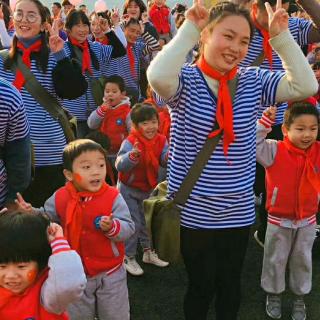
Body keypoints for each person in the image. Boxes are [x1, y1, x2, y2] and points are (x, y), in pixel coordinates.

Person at [147, 0, 317, 318]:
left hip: (238, 211)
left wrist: (281, 37)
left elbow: (305, 85)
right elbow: (156, 76)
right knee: (201, 286)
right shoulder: (185, 81)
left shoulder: (253, 80)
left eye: (244, 41)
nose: (236, 47)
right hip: (194, 210)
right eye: (228, 36)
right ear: (206, 37)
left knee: (230, 286)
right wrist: (187, 31)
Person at [17, 139, 135, 320]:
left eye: (101, 165)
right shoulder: (61, 197)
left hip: (110, 272)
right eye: (86, 167)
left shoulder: (112, 196)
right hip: (76, 273)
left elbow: (128, 227)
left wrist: (113, 227)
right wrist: (30, 211)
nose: (96, 171)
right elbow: (46, 216)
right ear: (69, 174)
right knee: (78, 315)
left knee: (115, 314)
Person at [241, 0, 320, 247]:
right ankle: (250, 231)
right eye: (270, 4)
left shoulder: (289, 24)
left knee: (275, 179)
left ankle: (269, 232)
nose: (277, 9)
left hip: (278, 120)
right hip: (242, 121)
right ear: (254, 6)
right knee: (245, 182)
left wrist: (306, 1)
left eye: (284, 3)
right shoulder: (241, 26)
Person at [0, 0, 87, 208]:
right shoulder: (3, 60)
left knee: (50, 223)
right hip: (12, 161)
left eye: (31, 15)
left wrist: (60, 54)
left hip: (50, 156)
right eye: (19, 14)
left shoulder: (56, 55)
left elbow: (75, 90)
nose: (24, 20)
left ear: (42, 23)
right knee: (16, 230)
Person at [256, 101, 320, 320]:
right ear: (285, 129)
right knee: (275, 259)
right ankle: (273, 294)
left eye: (313, 128)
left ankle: (299, 297)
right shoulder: (274, 149)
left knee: (302, 259)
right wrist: (265, 122)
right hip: (278, 220)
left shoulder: (318, 152)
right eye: (300, 129)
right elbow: (251, 143)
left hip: (307, 221)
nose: (307, 134)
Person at [0, 211, 86, 319]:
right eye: (2, 267)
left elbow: (68, 285)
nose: (10, 275)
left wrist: (58, 243)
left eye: (21, 266)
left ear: (41, 263)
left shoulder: (48, 294)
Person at [116, 103, 169, 276]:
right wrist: (132, 157)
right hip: (129, 189)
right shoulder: (131, 142)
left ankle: (148, 251)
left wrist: (170, 156)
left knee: (147, 222)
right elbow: (120, 165)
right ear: (136, 125)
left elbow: (164, 159)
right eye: (145, 123)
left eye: (154, 122)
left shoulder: (161, 140)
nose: (151, 127)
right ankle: (128, 256)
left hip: (148, 187)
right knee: (134, 222)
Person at [63, 9, 127, 138]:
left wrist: (108, 31)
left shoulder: (95, 47)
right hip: (73, 115)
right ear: (68, 29)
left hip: (96, 114)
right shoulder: (62, 49)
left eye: (85, 25)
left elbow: (120, 51)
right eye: (77, 25)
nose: (82, 29)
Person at [87, 75, 131, 167]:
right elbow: (91, 124)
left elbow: (132, 132)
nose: (110, 94)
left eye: (114, 92)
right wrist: (101, 111)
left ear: (123, 94)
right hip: (102, 153)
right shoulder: (102, 109)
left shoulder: (127, 112)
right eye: (107, 91)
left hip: (120, 154)